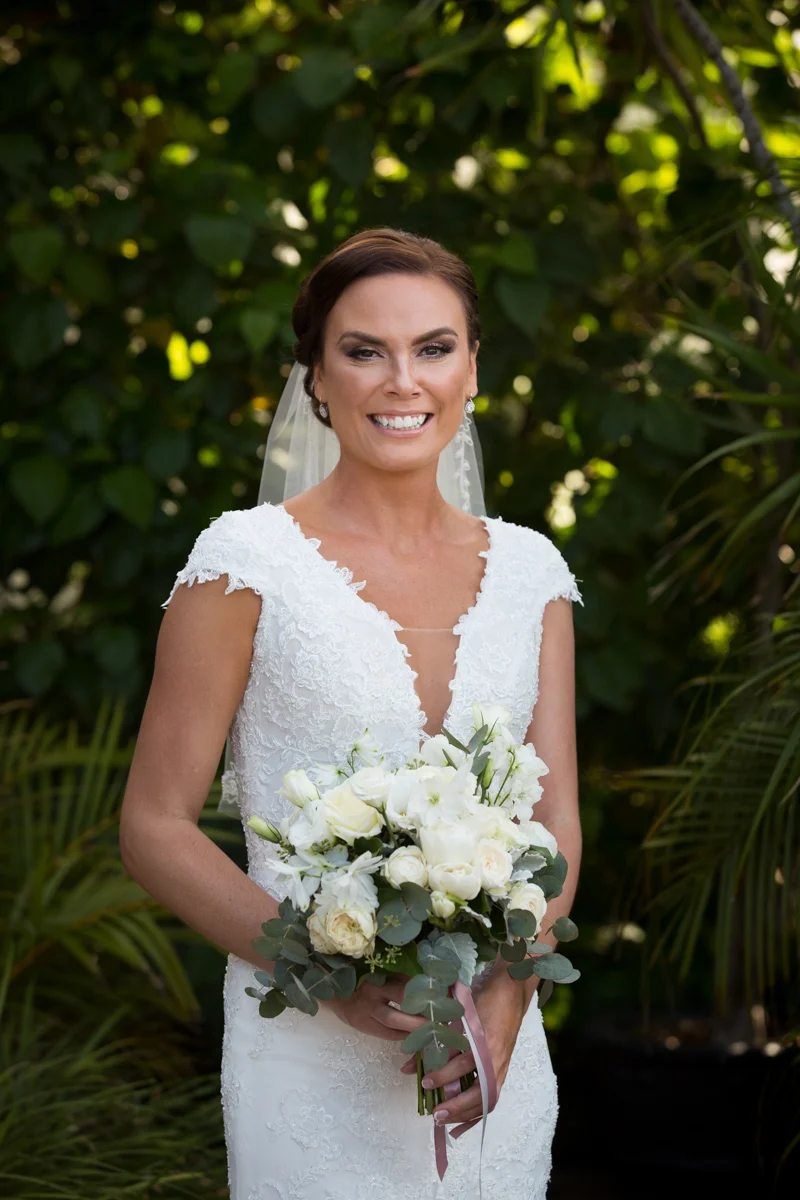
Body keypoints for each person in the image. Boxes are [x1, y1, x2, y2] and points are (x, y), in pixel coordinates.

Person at [119, 226, 583, 1200]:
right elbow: (154, 826)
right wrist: (326, 973)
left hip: (489, 1057)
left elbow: (555, 826)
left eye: (433, 348)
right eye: (364, 351)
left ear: (471, 369)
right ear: (317, 379)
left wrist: (507, 1001)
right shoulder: (244, 565)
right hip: (307, 1057)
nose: (401, 381)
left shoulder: (532, 573)